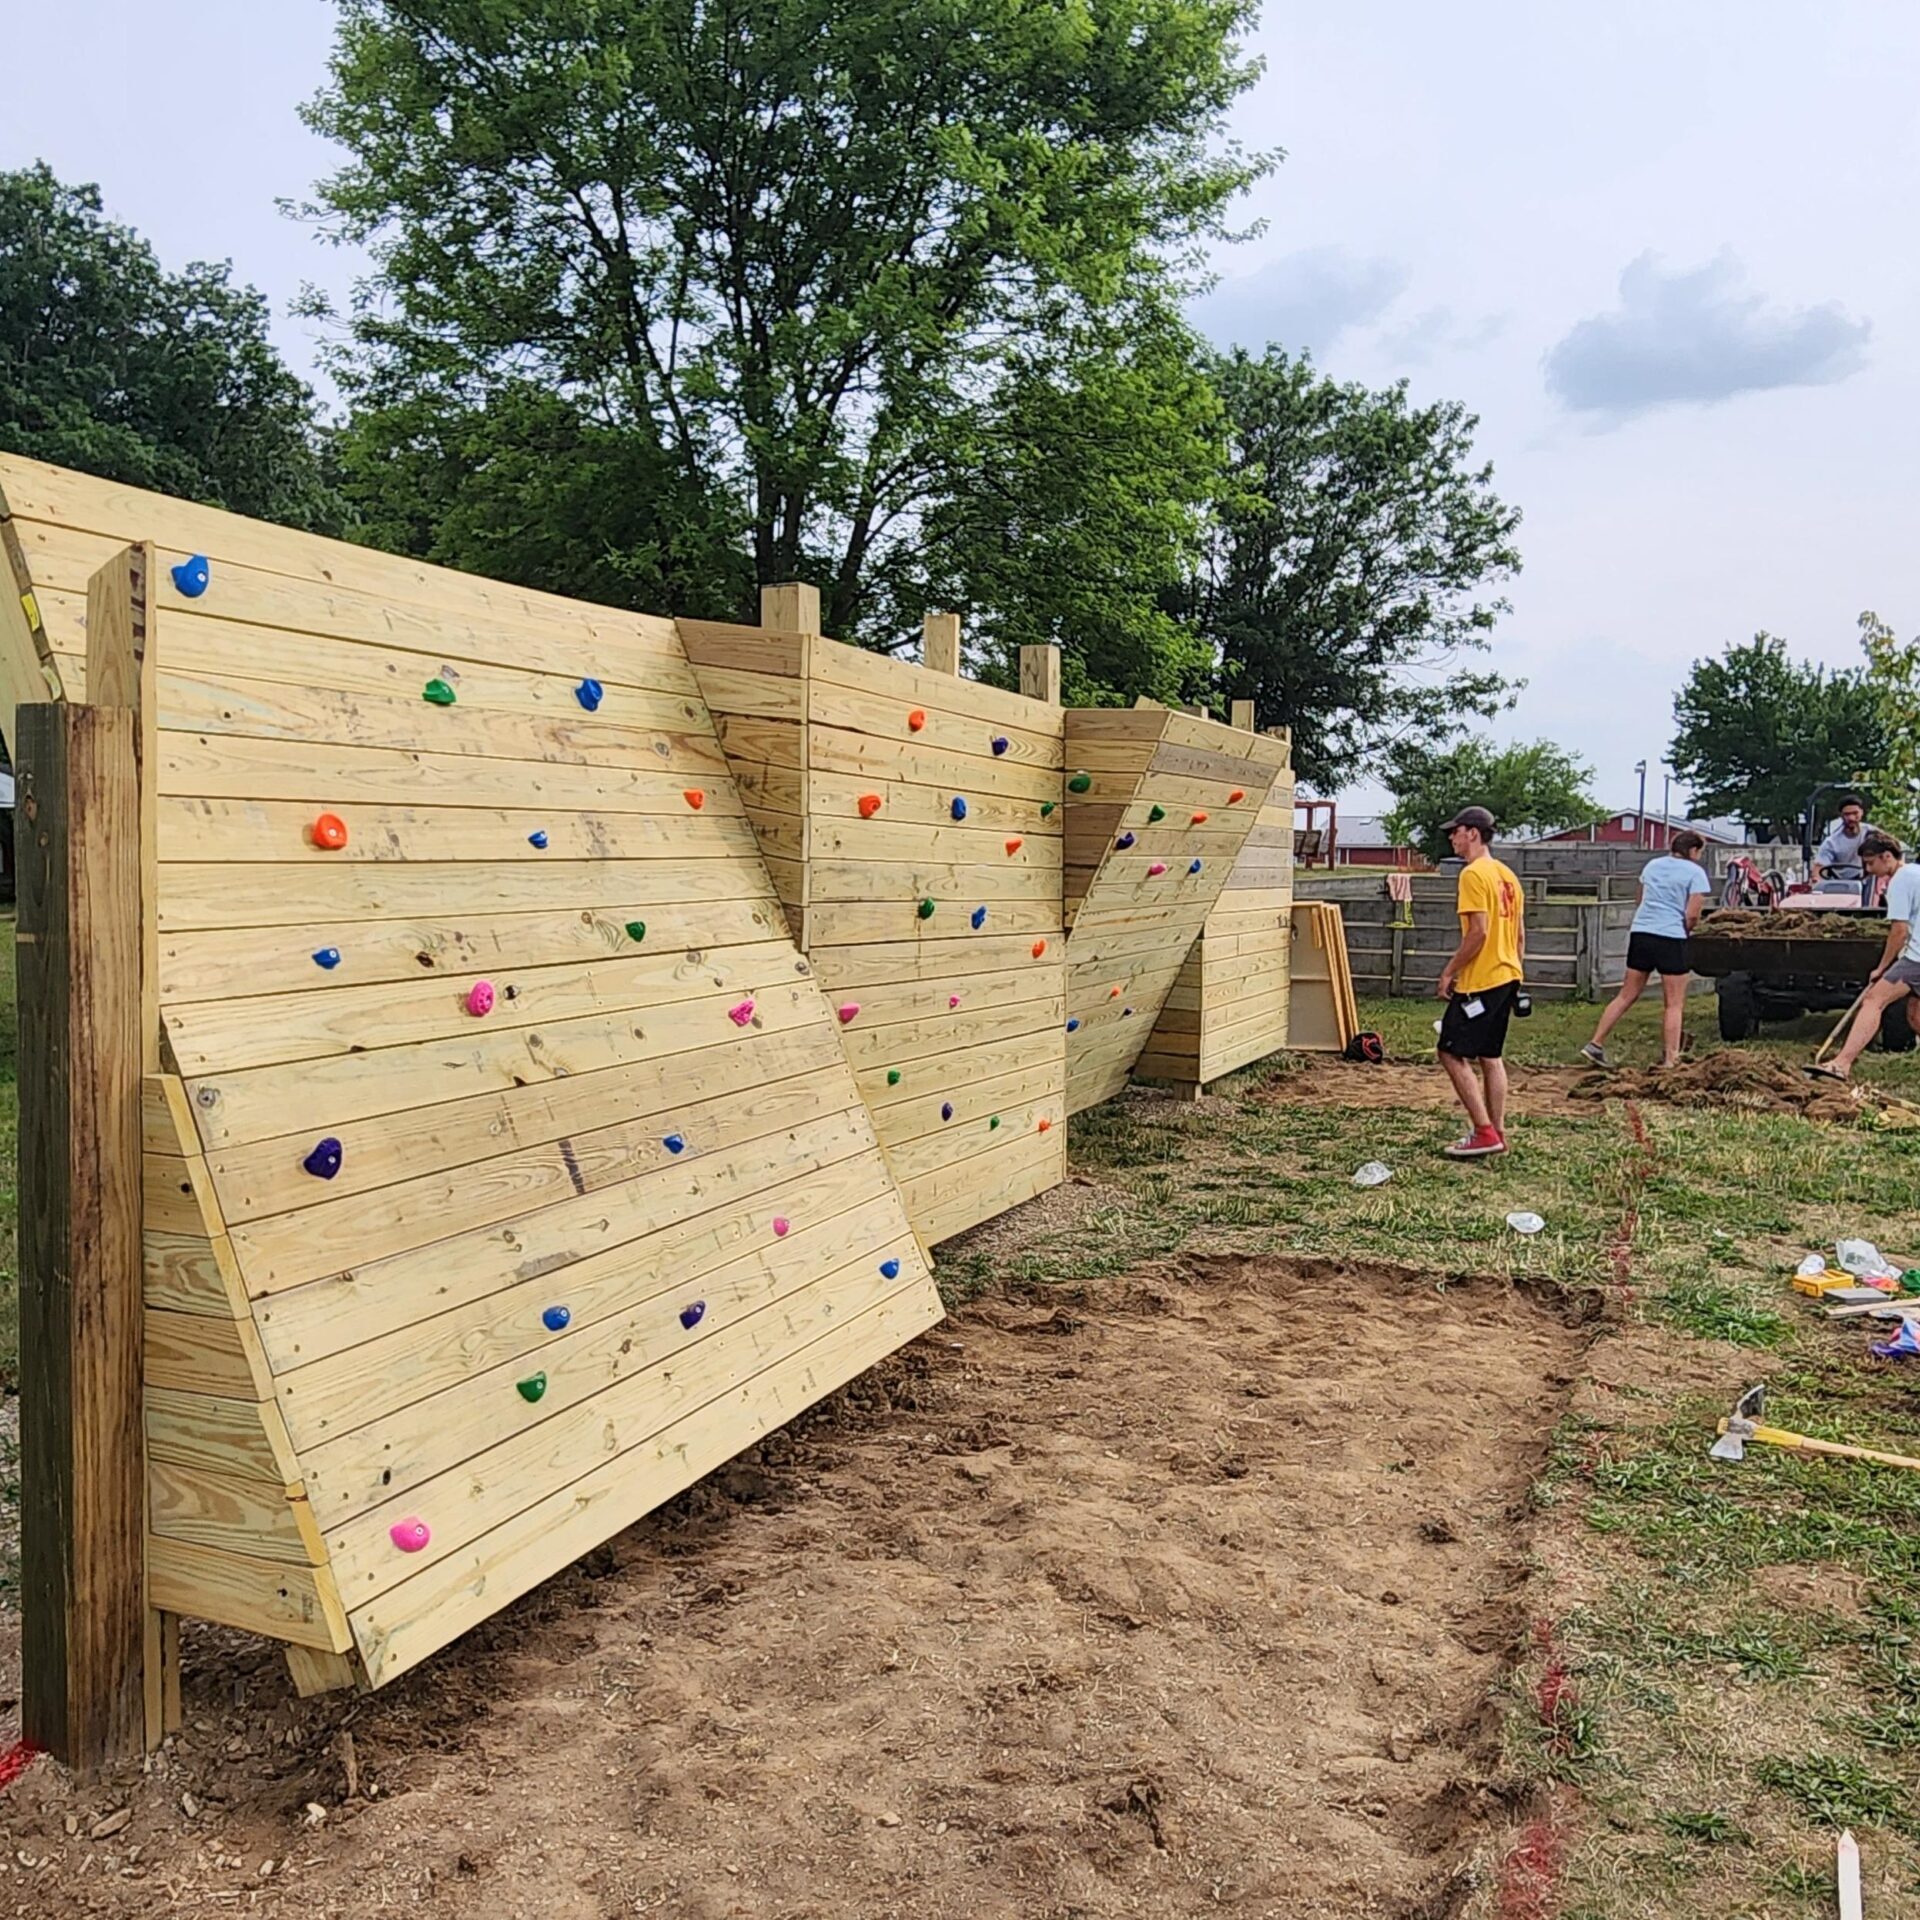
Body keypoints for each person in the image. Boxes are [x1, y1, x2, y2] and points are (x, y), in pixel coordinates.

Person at [1434, 805, 1525, 1158]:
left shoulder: (1473, 875)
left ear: (1472, 832)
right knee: (1490, 1055)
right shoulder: (1507, 876)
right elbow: (1519, 935)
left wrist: (1449, 971)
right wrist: (1516, 972)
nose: (1451, 838)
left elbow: (1478, 933)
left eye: (1455, 831)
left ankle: (1485, 1131)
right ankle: (1498, 1133)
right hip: (1508, 975)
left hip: (1482, 981)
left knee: (1450, 1051)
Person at [1579, 830, 1713, 1070]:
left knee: (1626, 994)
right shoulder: (1695, 872)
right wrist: (1685, 930)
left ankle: (1595, 1043)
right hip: (1671, 937)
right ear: (1693, 851)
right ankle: (1671, 1059)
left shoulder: (1652, 865)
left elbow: (1640, 899)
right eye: (1699, 851)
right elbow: (1692, 913)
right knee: (1674, 1003)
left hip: (1641, 933)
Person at [1808, 832, 1920, 1080]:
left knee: (1873, 1000)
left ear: (1887, 856)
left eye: (1871, 863)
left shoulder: (1900, 881)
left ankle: (1841, 1064)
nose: (1868, 870)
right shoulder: (1916, 872)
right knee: (1914, 1013)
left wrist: (1882, 967)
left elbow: (1899, 930)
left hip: (1918, 958)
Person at [1815, 796, 1876, 884]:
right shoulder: (1832, 842)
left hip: (1866, 881)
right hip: (1838, 882)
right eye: (1847, 814)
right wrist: (1816, 880)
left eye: (1855, 813)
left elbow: (1891, 848)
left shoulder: (1872, 833)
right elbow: (1819, 866)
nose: (1851, 818)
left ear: (1861, 813)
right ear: (1841, 816)